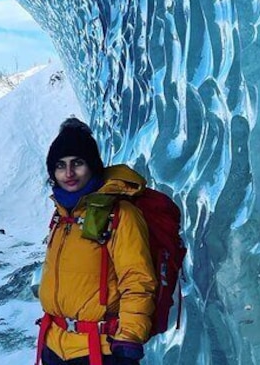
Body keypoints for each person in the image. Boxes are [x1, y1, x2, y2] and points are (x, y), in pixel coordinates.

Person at [36, 117, 157, 365]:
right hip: (54, 345)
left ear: (92, 165)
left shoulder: (120, 213)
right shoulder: (61, 216)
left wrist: (130, 336)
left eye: (77, 163)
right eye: (60, 165)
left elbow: (138, 279)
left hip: (101, 349)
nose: (68, 173)